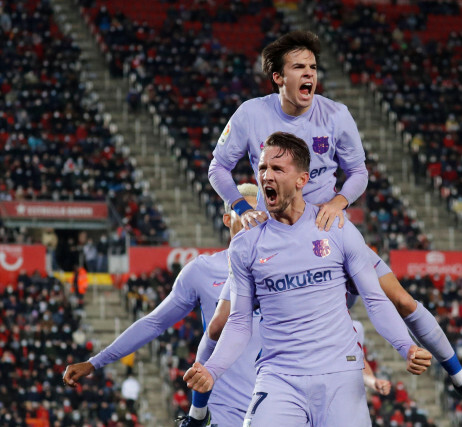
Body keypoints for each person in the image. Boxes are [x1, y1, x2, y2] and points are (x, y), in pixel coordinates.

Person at [206, 30, 462, 414]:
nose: (309, 73)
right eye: (299, 66)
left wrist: (340, 200)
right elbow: (218, 167)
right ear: (278, 77)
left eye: (313, 66)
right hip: (274, 237)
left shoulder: (336, 115)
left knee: (400, 299)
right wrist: (239, 205)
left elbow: (359, 171)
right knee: (219, 325)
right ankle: (202, 409)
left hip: (330, 233)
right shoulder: (250, 113)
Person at [185, 132, 432, 426]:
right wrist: (212, 369)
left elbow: (375, 299)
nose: (267, 176)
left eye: (277, 169)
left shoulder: (337, 228)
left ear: (302, 180)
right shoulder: (245, 245)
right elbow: (239, 322)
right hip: (279, 376)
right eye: (263, 168)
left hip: (340, 373)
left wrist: (406, 346)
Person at [63, 184, 262, 427]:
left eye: (259, 212)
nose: (252, 218)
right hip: (223, 407)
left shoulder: (280, 268)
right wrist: (95, 362)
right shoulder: (202, 270)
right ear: (225, 218)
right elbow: (154, 323)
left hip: (274, 403)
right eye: (243, 211)